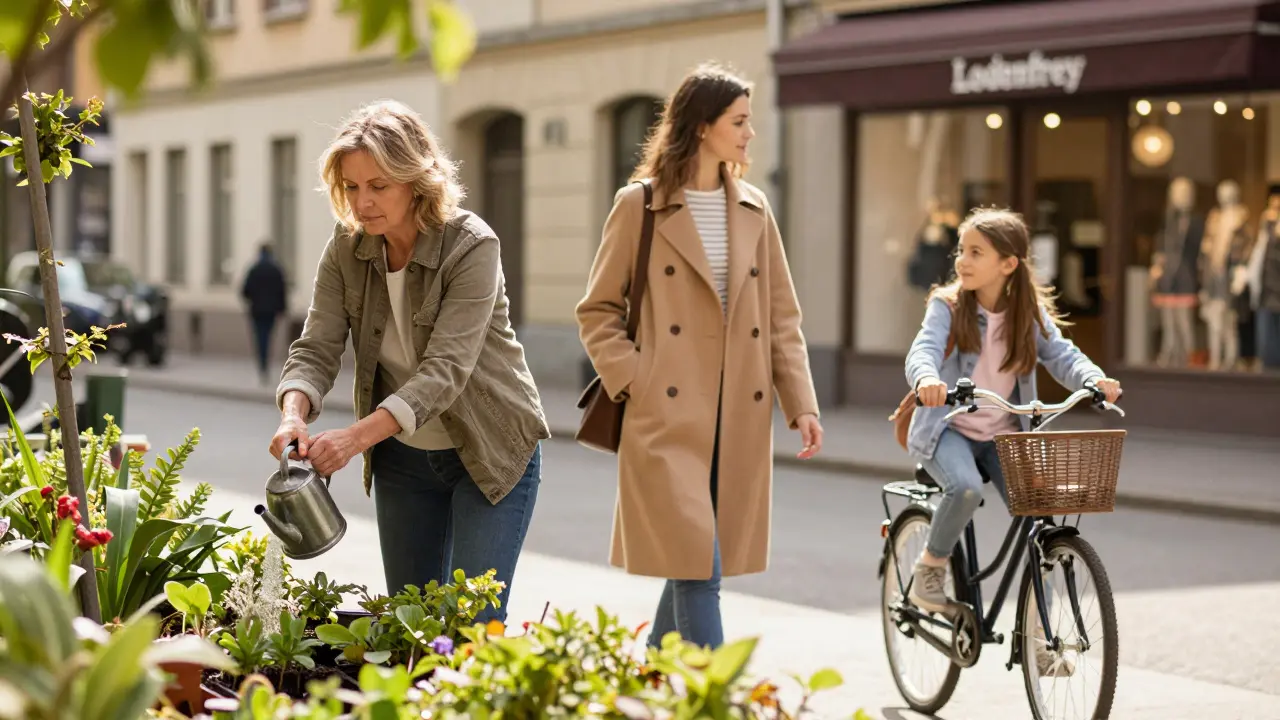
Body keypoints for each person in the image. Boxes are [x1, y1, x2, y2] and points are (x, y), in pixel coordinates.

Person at [269, 100, 550, 624]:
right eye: (352, 187)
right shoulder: (346, 248)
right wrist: (293, 414)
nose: (362, 202)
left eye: (378, 186)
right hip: (402, 458)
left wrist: (352, 438)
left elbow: (445, 371)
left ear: (415, 181)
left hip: (490, 454)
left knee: (470, 629)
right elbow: (316, 346)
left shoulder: (471, 246)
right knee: (411, 627)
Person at [576, 62, 823, 651]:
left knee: (693, 560)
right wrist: (636, 378)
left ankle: (649, 684)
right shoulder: (640, 205)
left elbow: (782, 318)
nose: (749, 133)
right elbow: (598, 311)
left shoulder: (755, 210)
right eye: (739, 121)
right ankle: (715, 700)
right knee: (699, 569)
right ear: (703, 125)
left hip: (736, 417)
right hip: (665, 417)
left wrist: (802, 405)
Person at [903, 207, 1121, 675]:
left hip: (1005, 434)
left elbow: (1062, 352)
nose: (962, 260)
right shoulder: (948, 305)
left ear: (1008, 264)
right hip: (950, 429)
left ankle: (1040, 641)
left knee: (1039, 521)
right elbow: (923, 348)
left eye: (976, 252)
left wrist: (1094, 379)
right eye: (962, 250)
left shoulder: (1027, 313)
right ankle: (930, 570)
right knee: (963, 487)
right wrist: (925, 378)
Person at [240, 243, 288, 384]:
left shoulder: (254, 269)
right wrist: (282, 308)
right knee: (268, 336)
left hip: (257, 311)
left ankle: (262, 364)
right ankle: (265, 362)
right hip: (271, 311)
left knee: (259, 337)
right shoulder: (276, 269)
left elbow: (244, 291)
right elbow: (282, 291)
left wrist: (252, 300)